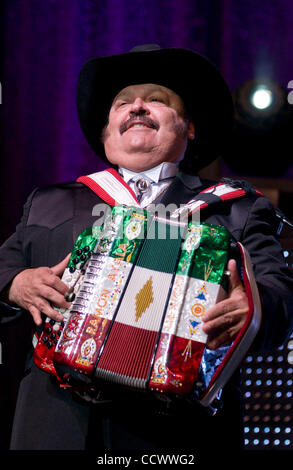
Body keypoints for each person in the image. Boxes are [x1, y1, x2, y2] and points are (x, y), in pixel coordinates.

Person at [0, 44, 293, 458]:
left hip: (181, 434)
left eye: (156, 99)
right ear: (106, 132)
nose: (137, 106)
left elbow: (282, 299)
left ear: (189, 127)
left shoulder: (236, 208)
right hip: (54, 426)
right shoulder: (48, 201)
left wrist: (254, 308)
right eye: (123, 103)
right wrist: (15, 283)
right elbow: (3, 267)